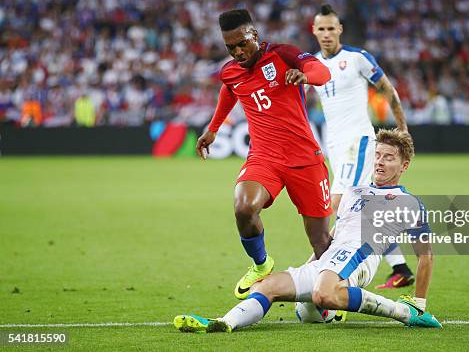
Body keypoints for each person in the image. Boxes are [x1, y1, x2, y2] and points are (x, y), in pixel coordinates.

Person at [175, 129, 440, 333]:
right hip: (331, 259)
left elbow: (425, 256)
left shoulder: (408, 202)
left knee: (322, 294)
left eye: (389, 158)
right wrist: (310, 265)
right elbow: (333, 235)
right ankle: (223, 323)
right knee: (268, 286)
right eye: (378, 155)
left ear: (403, 166)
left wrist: (420, 301)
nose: (380, 162)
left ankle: (405, 313)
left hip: (359, 258)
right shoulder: (353, 192)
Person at [196, 9, 334, 300]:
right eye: (230, 47)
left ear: (254, 35)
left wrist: (305, 75)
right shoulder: (230, 70)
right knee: (243, 208)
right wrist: (213, 128)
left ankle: (336, 292)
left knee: (320, 241)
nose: (237, 51)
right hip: (264, 158)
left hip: (304, 159)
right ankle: (261, 264)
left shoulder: (284, 55)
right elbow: (230, 90)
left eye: (242, 43)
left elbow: (323, 72)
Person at [310, 4, 414, 289]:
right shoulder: (311, 65)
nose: (327, 33)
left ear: (340, 29)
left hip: (359, 142)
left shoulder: (357, 58)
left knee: (339, 205)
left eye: (332, 28)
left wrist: (402, 127)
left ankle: (326, 269)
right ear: (314, 31)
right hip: (335, 146)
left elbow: (388, 90)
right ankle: (401, 268)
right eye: (322, 28)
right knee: (363, 207)